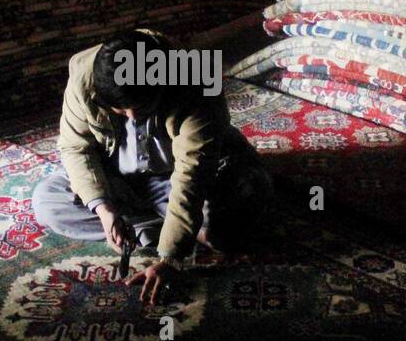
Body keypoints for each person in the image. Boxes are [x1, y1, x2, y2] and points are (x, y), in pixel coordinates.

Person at [31, 29, 272, 304]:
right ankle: (179, 227)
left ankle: (172, 228)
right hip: (119, 177)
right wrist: (104, 210)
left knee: (241, 207)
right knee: (48, 202)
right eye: (121, 111)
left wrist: (170, 259)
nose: (132, 117)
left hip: (174, 176)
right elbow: (76, 148)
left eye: (143, 107)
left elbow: (193, 173)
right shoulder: (84, 78)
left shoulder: (197, 80)